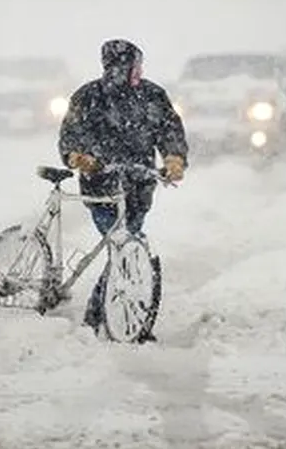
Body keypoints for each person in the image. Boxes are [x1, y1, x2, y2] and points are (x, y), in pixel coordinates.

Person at [58, 38, 188, 342]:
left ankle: (104, 317)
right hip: (100, 189)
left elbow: (170, 129)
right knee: (120, 245)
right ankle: (98, 318)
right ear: (122, 67)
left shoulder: (153, 96)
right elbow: (71, 134)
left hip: (139, 188)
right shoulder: (88, 97)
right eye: (136, 65)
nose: (140, 71)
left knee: (124, 245)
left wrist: (174, 157)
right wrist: (79, 157)